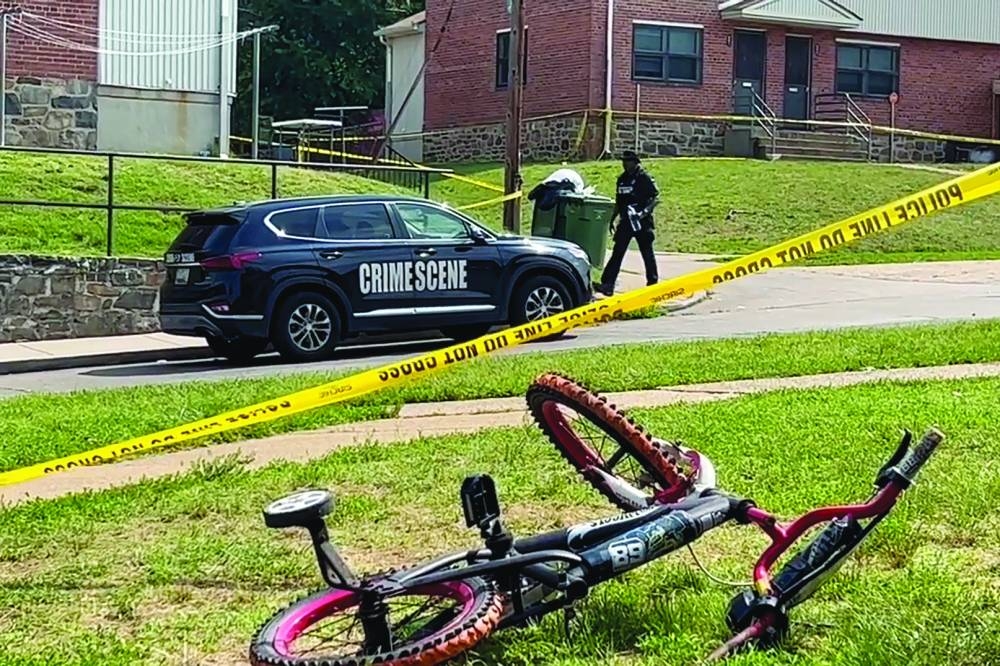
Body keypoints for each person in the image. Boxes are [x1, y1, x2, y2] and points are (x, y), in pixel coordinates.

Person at [594, 151, 660, 297]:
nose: (624, 164)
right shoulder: (622, 179)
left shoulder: (644, 178)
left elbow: (655, 198)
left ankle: (653, 284)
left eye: (627, 161)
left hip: (642, 222)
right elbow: (619, 202)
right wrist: (612, 219)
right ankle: (608, 284)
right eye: (623, 161)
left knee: (647, 253)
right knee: (618, 252)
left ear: (635, 162)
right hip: (625, 222)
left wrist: (644, 212)